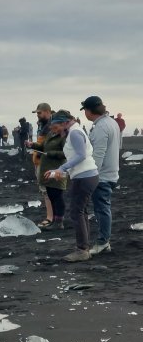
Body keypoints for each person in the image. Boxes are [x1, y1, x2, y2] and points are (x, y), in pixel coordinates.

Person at [43, 110, 99, 262]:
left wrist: (62, 169)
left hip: (85, 177)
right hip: (86, 175)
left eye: (55, 126)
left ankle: (82, 250)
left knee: (76, 212)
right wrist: (62, 172)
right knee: (81, 211)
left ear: (64, 122)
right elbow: (79, 155)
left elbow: (81, 155)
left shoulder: (74, 133)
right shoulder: (73, 131)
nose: (52, 129)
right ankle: (84, 247)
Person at [81, 95, 121, 254]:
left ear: (90, 111)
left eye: (85, 109)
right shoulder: (112, 123)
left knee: (102, 208)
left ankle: (103, 241)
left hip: (102, 175)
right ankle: (104, 240)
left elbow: (98, 154)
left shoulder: (101, 127)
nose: (84, 113)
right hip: (111, 172)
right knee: (103, 207)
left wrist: (91, 175)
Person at [26, 116, 66, 230]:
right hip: (47, 169)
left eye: (54, 126)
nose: (52, 127)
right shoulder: (50, 135)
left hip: (57, 169)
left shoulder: (63, 137)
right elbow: (43, 146)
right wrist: (32, 145)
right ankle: (53, 220)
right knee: (51, 194)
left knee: (57, 195)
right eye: (51, 126)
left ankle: (59, 222)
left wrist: (50, 153)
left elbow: (65, 153)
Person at [31, 103, 53, 226]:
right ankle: (52, 216)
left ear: (47, 112)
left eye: (39, 113)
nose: (38, 115)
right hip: (40, 160)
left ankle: (50, 217)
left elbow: (49, 145)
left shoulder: (50, 126)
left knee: (47, 189)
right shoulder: (42, 124)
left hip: (46, 161)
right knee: (46, 189)